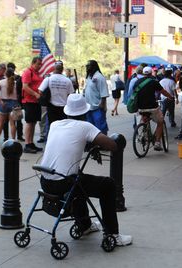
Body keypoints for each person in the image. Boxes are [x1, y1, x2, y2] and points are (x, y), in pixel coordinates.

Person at [40, 94, 132, 246]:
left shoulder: (55, 125)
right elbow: (112, 145)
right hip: (64, 182)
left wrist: (89, 145)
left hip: (46, 181)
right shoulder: (85, 126)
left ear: (67, 111)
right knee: (107, 185)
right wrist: (94, 145)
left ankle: (85, 225)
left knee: (79, 179)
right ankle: (113, 234)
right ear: (84, 113)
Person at [135, 66, 174, 151]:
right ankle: (157, 142)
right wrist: (170, 96)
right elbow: (163, 91)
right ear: (151, 73)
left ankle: (144, 135)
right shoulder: (154, 82)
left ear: (143, 73)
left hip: (140, 108)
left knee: (144, 119)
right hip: (152, 107)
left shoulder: (137, 82)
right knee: (160, 122)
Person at [38, 61, 74, 125]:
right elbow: (71, 94)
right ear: (62, 70)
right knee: (63, 125)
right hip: (64, 107)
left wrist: (46, 97)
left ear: (54, 68)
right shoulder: (68, 80)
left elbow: (40, 91)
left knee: (52, 125)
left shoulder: (48, 79)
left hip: (51, 106)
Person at [0, 68, 18, 146]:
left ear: (5, 74)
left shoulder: (1, 82)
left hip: (4, 103)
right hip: (13, 104)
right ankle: (13, 141)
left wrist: (0, 100)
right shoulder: (15, 83)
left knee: (0, 123)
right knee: (12, 124)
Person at [22, 57, 43, 153]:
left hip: (36, 101)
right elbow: (25, 86)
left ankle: (31, 143)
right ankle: (27, 144)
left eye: (40, 64)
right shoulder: (28, 72)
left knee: (33, 123)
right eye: (38, 64)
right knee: (29, 122)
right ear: (33, 63)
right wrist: (35, 94)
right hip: (29, 101)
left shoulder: (37, 73)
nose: (40, 66)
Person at [84, 60, 109, 135]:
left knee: (100, 128)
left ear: (94, 67)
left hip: (97, 108)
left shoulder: (99, 77)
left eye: (89, 66)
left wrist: (102, 104)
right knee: (90, 128)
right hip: (88, 107)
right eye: (87, 66)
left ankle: (103, 144)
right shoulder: (88, 77)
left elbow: (104, 93)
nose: (87, 67)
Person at [3, 62, 24, 142]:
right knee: (17, 120)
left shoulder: (4, 80)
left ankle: (6, 137)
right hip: (16, 102)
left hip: (8, 102)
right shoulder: (19, 78)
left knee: (7, 121)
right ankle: (18, 136)